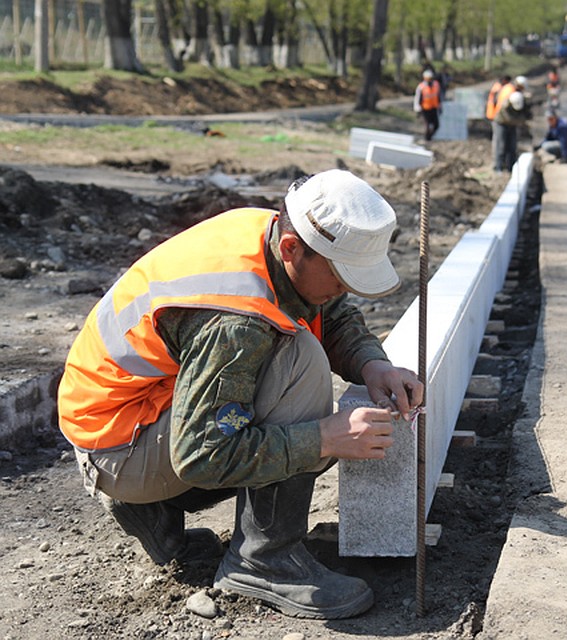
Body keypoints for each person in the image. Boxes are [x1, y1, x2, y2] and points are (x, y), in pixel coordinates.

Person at [57, 169, 424, 620]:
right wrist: (324, 438)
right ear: (293, 248)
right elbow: (202, 455)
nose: (346, 289)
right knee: (300, 360)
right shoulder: (235, 321)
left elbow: (329, 307)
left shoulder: (273, 236)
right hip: (121, 449)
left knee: (284, 353)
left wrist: (372, 363)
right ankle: (263, 560)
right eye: (342, 276)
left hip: (128, 421)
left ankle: (154, 509)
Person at [491, 75, 529, 172]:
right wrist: (519, 121)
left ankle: (511, 167)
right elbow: (507, 117)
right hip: (500, 122)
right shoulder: (508, 98)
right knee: (501, 145)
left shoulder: (517, 95)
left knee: (512, 146)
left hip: (510, 124)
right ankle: (498, 167)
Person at [414, 69, 442, 141]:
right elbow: (417, 98)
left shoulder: (436, 85)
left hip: (434, 108)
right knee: (427, 125)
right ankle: (427, 139)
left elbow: (438, 96)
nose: (430, 80)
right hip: (425, 109)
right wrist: (417, 109)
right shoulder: (421, 87)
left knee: (436, 125)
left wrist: (440, 106)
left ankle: (430, 136)